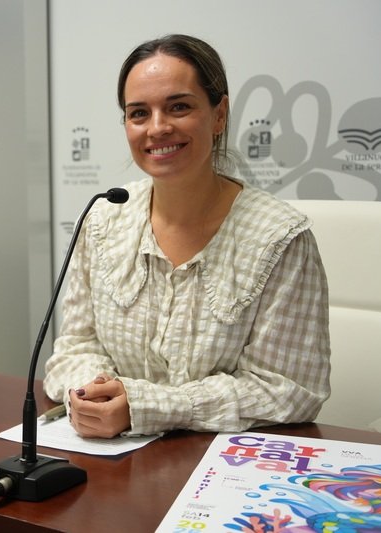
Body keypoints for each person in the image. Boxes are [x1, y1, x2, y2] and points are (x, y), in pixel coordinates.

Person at [42, 34, 330, 438]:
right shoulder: (103, 219)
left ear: (219, 115)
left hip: (222, 470)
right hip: (112, 460)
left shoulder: (281, 237)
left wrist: (147, 407)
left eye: (178, 107)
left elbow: (289, 389)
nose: (157, 128)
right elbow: (72, 349)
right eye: (138, 113)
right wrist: (97, 394)